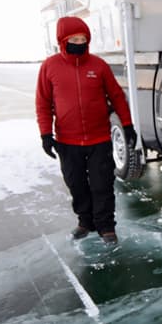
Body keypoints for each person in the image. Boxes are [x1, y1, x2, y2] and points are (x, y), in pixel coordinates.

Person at [35, 16, 136, 244]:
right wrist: (45, 134)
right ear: (63, 40)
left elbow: (117, 97)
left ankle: (106, 227)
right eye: (74, 39)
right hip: (67, 142)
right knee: (76, 185)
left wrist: (127, 125)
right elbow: (43, 102)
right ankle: (85, 222)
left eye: (83, 39)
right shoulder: (50, 66)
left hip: (99, 139)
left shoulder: (98, 65)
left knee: (102, 185)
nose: (79, 43)